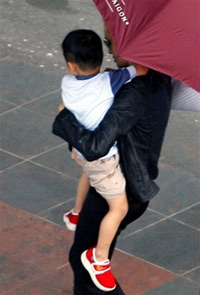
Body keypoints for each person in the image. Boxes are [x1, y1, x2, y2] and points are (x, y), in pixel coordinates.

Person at [52, 26, 172, 295]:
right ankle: (81, 220)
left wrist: (63, 117)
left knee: (85, 263)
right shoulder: (156, 77)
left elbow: (95, 146)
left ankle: (99, 259)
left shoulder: (134, 93)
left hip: (121, 184)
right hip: (127, 179)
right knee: (84, 257)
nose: (109, 51)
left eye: (110, 42)